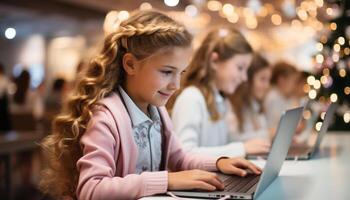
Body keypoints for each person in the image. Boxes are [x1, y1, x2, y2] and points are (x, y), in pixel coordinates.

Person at [39, 10, 261, 200]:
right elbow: (92, 189)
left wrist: (220, 163)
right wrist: (167, 180)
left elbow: (180, 157)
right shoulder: (105, 117)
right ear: (130, 64)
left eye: (180, 73)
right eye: (166, 72)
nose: (176, 85)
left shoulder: (158, 111)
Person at [171, 27, 267, 158]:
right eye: (240, 68)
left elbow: (221, 146)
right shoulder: (192, 98)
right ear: (214, 61)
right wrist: (242, 148)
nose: (244, 78)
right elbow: (184, 153)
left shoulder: (221, 101)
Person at [229, 53, 272, 148]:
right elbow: (231, 139)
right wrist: (270, 133)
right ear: (247, 79)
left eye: (268, 80)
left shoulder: (256, 105)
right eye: (262, 79)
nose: (267, 86)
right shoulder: (231, 106)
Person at [264, 61, 299, 137]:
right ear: (281, 80)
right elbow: (270, 127)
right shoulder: (272, 98)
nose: (294, 85)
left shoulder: (287, 98)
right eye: (293, 81)